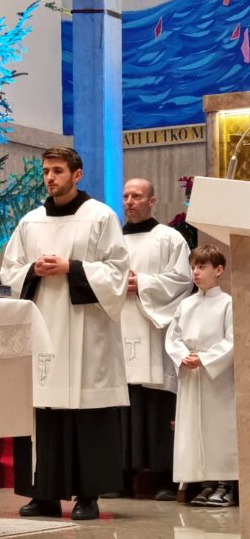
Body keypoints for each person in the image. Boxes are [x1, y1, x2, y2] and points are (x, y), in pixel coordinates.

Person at [0, 146, 130, 521]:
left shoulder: (101, 217)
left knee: (88, 414)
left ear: (77, 174)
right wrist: (32, 270)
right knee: (43, 412)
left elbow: (118, 271)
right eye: (46, 171)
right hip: (42, 326)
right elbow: (9, 271)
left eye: (57, 171)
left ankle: (88, 496)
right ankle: (43, 494)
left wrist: (72, 267)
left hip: (87, 332)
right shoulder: (31, 222)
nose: (50, 178)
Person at [117, 178, 192, 500]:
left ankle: (163, 479)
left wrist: (144, 284)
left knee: (157, 404)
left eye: (137, 196)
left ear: (152, 201)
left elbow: (183, 280)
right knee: (121, 405)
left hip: (153, 331)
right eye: (126, 196)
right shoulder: (112, 240)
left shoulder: (169, 238)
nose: (129, 201)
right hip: (118, 329)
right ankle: (119, 478)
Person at [166, 245, 236, 507]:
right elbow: (173, 337)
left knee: (218, 427)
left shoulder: (228, 303)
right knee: (192, 429)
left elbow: (232, 340)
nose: (195, 272)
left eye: (202, 267)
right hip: (190, 374)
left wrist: (205, 359)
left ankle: (226, 484)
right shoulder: (186, 304)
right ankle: (205, 483)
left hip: (215, 378)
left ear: (219, 270)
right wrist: (182, 355)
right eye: (193, 267)